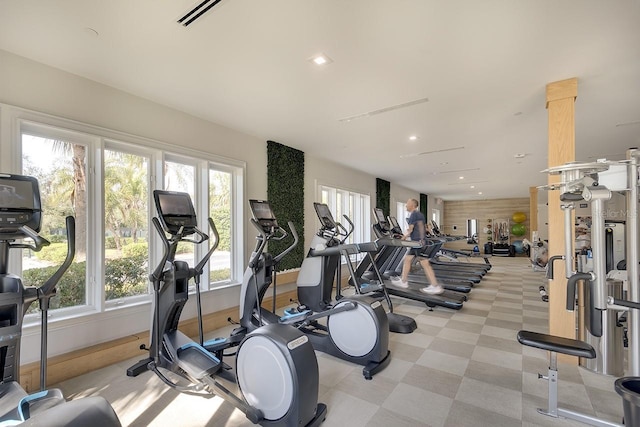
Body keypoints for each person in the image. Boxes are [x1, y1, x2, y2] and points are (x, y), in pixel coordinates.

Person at [390, 198, 444, 295]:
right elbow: (422, 228)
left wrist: (403, 237)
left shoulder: (413, 215)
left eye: (408, 203)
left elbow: (410, 230)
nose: (406, 205)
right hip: (417, 243)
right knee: (407, 259)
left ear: (413, 205)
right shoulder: (420, 214)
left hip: (418, 244)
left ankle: (435, 286)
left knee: (425, 264)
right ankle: (403, 281)